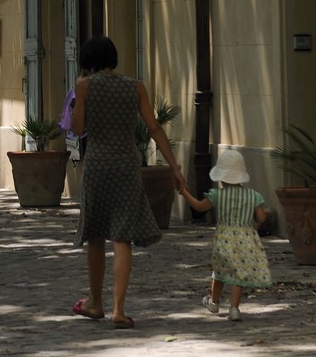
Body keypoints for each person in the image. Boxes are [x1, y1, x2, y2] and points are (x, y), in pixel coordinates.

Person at [70, 35, 186, 328]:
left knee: (96, 235)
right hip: (126, 166)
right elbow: (155, 128)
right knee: (122, 237)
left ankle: (95, 303)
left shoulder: (84, 86)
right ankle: (119, 310)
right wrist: (174, 167)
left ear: (87, 63)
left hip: (97, 166)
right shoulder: (135, 87)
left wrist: (78, 96)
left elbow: (79, 129)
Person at [179, 146, 271, 320]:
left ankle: (213, 302)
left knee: (220, 271)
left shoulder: (217, 195)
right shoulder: (253, 195)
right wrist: (256, 226)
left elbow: (199, 207)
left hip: (224, 238)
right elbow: (261, 216)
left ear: (221, 177)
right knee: (239, 273)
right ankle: (234, 308)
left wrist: (184, 192)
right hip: (246, 238)